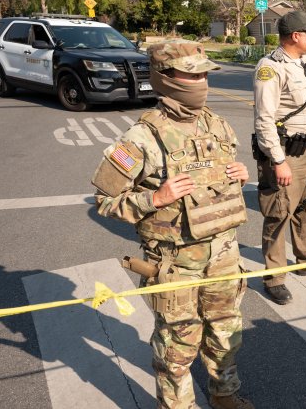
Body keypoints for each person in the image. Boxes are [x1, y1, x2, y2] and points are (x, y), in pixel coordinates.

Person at [91, 39, 253, 409]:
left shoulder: (218, 125)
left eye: (204, 73)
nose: (201, 82)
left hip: (224, 255)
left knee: (225, 333)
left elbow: (216, 180)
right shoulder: (141, 138)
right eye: (190, 74)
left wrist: (238, 178)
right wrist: (155, 198)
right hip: (176, 264)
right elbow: (105, 202)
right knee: (178, 348)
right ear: (164, 77)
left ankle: (224, 397)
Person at [252, 10, 306, 305]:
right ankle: (274, 278)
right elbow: (264, 119)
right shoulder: (270, 68)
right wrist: (278, 161)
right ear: (295, 36)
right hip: (288, 154)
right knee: (278, 215)